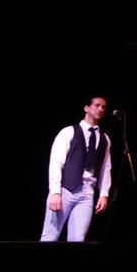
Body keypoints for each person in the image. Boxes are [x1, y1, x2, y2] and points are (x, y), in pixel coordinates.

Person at [40, 95, 114, 242]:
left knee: (78, 239)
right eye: (97, 105)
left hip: (87, 193)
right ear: (86, 108)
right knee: (50, 235)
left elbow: (106, 167)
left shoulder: (104, 138)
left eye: (103, 107)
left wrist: (104, 194)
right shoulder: (69, 132)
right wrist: (55, 192)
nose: (100, 109)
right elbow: (56, 162)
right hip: (66, 190)